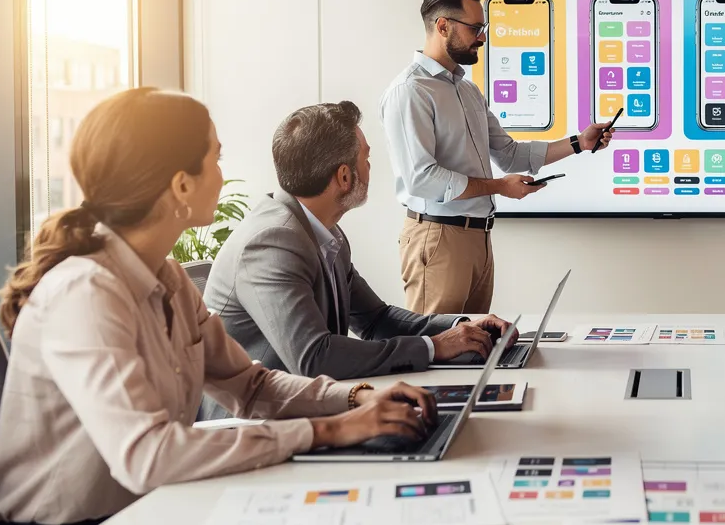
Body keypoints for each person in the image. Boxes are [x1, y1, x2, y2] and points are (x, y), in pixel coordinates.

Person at [0, 89, 439, 525]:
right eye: (215, 159)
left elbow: (250, 387)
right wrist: (331, 429)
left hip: (141, 521)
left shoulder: (168, 280)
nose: (224, 175)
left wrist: (354, 396)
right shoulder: (87, 293)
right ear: (181, 185)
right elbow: (149, 457)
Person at [204, 101, 514, 382]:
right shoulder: (272, 243)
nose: (369, 167)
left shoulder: (324, 233)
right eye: (365, 158)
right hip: (257, 427)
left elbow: (376, 319)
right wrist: (433, 347)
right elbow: (314, 358)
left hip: (308, 406)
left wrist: (462, 325)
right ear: (344, 176)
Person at [380, 0, 614, 315]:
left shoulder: (468, 90)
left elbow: (509, 153)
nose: (483, 37)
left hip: (478, 239)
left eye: (484, 28)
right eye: (475, 28)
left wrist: (580, 142)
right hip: (438, 238)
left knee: (474, 350)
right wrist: (498, 187)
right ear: (442, 26)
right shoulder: (411, 91)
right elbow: (422, 178)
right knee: (436, 352)